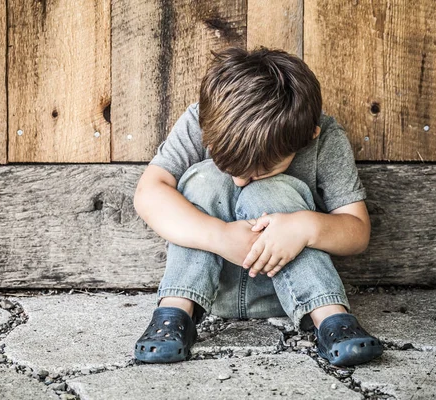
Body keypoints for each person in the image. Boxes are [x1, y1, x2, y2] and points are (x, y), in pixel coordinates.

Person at [132, 46, 383, 366]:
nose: (239, 181)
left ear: (308, 136)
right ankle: (174, 313)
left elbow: (357, 230)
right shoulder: (204, 117)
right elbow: (148, 192)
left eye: (259, 169)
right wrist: (219, 235)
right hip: (206, 293)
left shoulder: (324, 137)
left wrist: (305, 227)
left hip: (290, 294)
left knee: (275, 190)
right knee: (204, 180)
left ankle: (331, 318)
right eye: (231, 166)